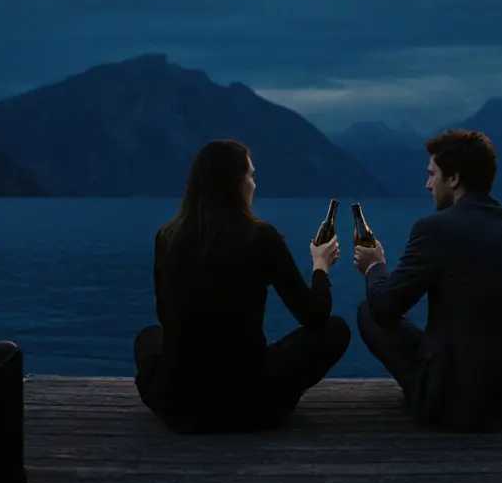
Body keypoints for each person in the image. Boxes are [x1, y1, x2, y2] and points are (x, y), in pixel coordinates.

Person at [133, 139, 352, 433]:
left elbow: (165, 315)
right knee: (335, 330)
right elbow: (314, 317)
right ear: (234, 184)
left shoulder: (167, 238)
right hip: (250, 407)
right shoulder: (261, 238)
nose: (254, 185)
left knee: (148, 337)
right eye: (250, 176)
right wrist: (320, 267)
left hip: (179, 406)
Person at [353, 129, 502, 432]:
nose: (427, 184)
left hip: (459, 404)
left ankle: (424, 392)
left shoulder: (435, 229)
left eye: (432, 174)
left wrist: (374, 267)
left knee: (368, 311)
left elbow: (385, 308)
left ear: (454, 178)